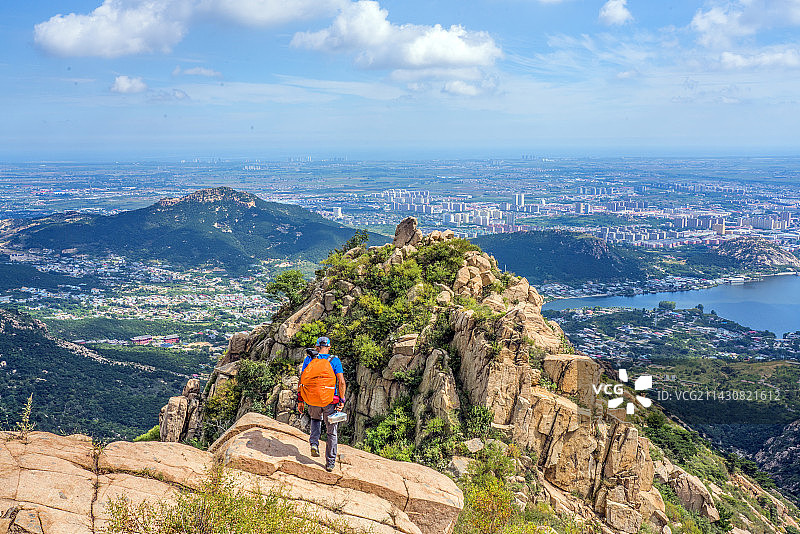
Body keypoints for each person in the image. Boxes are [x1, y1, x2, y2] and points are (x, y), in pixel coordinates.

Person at [297, 336, 346, 472]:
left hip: (312, 398)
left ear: (317, 347)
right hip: (329, 400)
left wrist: (300, 399)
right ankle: (330, 462)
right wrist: (341, 400)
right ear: (329, 347)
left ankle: (314, 443)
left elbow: (302, 380)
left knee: (315, 419)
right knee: (331, 431)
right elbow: (341, 382)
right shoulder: (334, 360)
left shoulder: (309, 359)